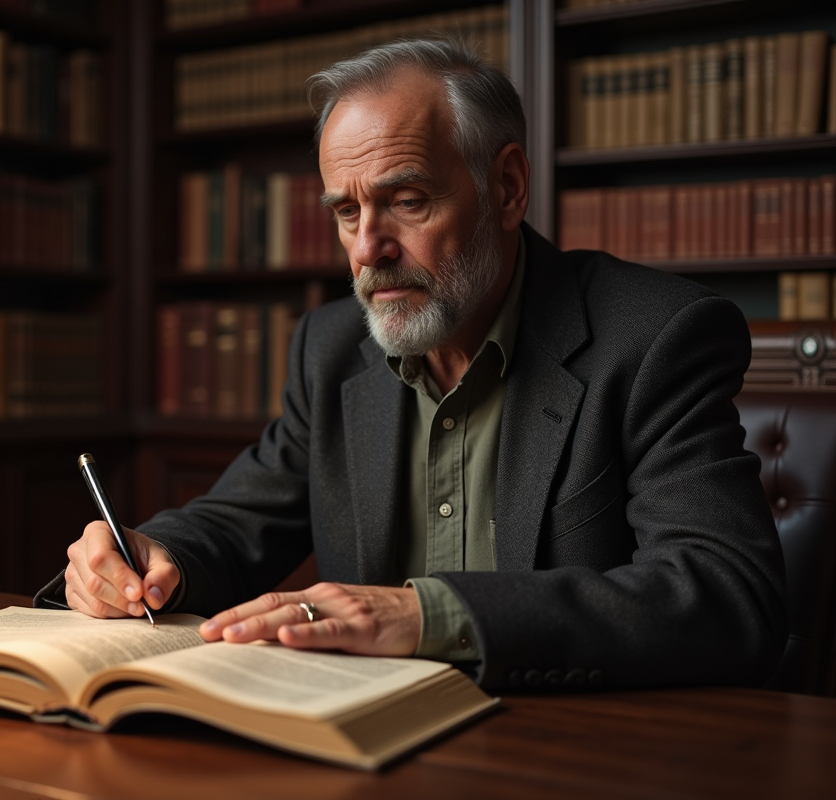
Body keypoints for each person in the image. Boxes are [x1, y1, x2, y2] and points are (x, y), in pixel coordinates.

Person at [54, 38, 787, 691]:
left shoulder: (655, 335)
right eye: (347, 213)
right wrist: (154, 555)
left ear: (505, 187)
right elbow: (239, 520)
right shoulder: (330, 346)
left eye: (406, 201)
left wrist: (425, 613)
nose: (369, 248)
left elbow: (727, 596)